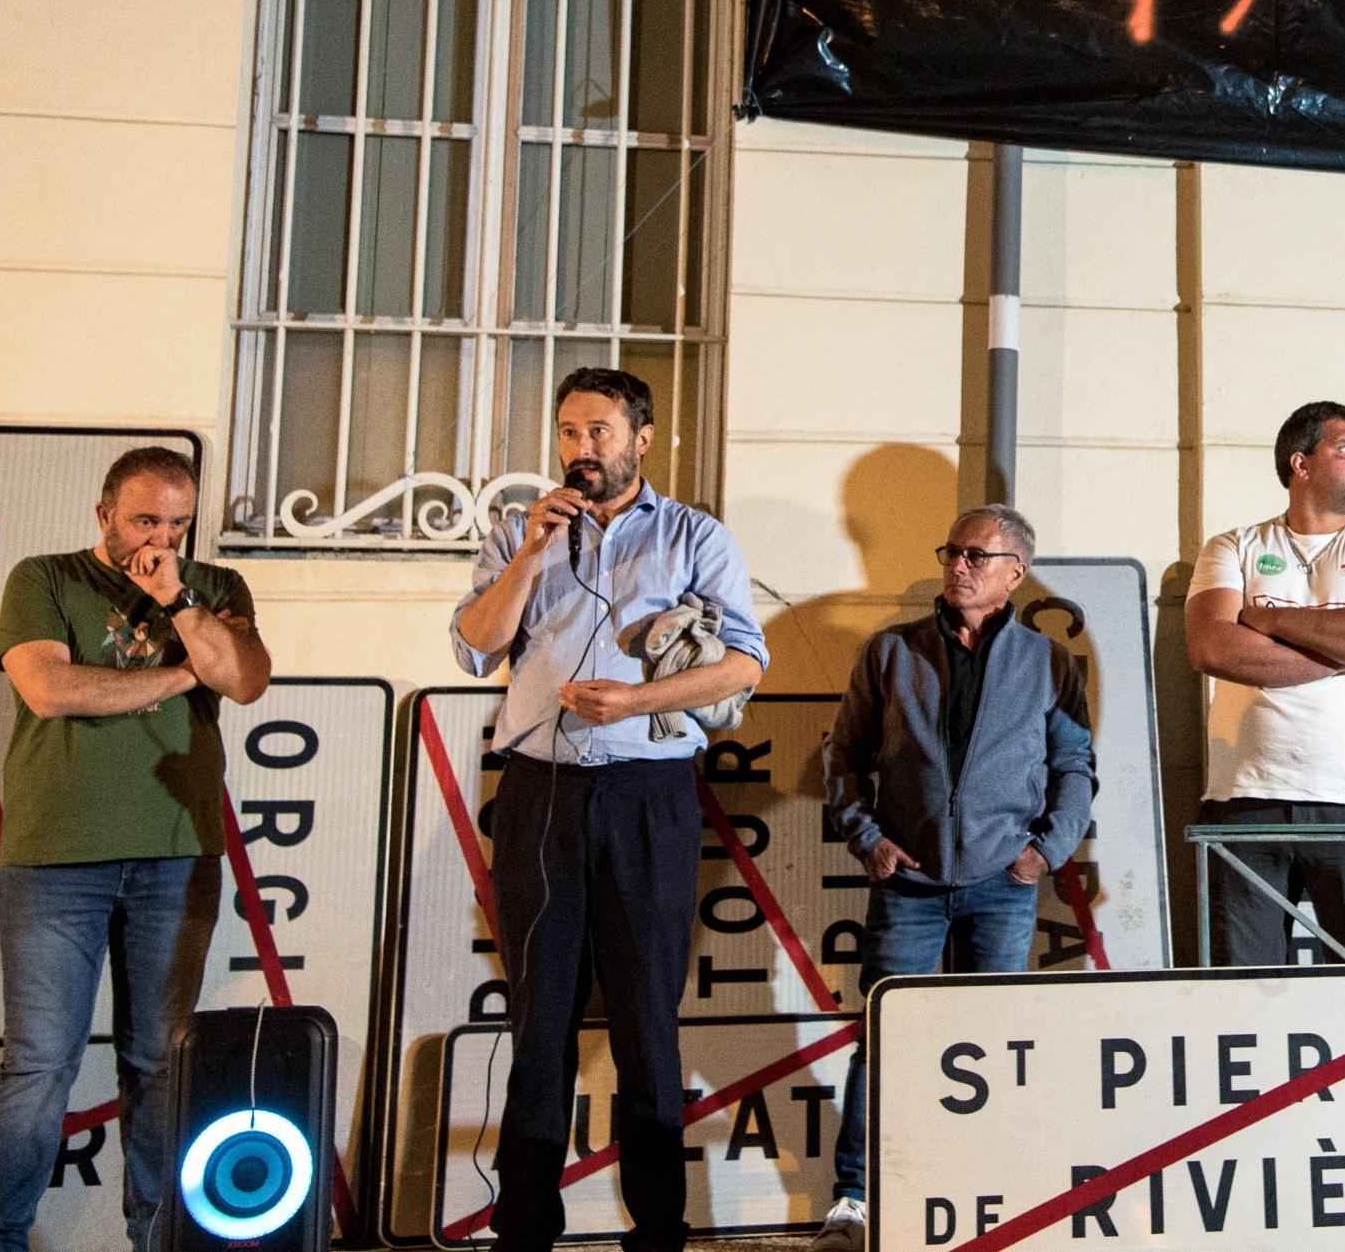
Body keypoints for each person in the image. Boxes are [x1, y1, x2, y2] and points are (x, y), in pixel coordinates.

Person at [452, 366, 767, 1252]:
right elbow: (477, 646)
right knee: (539, 1015)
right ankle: (523, 1229)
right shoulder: (520, 530)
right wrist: (528, 556)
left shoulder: (694, 535)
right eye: (567, 432)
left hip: (648, 794)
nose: (580, 449)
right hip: (539, 792)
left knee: (643, 1018)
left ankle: (658, 1228)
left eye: (598, 431)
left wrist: (633, 701)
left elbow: (744, 665)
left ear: (642, 437)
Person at [0, 445, 271, 1252]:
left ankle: (158, 1237)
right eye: (144, 519)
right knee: (38, 1061)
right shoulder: (45, 577)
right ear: (105, 515)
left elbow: (242, 680)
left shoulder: (214, 587)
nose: (161, 537)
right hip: (56, 854)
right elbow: (51, 688)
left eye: (177, 521)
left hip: (176, 851)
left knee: (162, 1061)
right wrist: (180, 675)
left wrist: (177, 603)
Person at [814, 505, 1095, 1252]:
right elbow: (841, 758)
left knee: (988, 1042)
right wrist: (868, 839)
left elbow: (1074, 767)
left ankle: (981, 1189)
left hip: (1003, 883)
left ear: (1015, 572)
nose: (960, 565)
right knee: (885, 1041)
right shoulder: (891, 652)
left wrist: (1047, 850)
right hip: (908, 883)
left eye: (978, 554)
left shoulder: (1048, 663)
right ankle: (854, 1199)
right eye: (952, 551)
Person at [1184, 401, 1345, 966]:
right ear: (1299, 463)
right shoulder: (1234, 546)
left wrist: (1268, 619)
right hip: (1246, 799)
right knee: (1243, 994)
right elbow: (1212, 647)